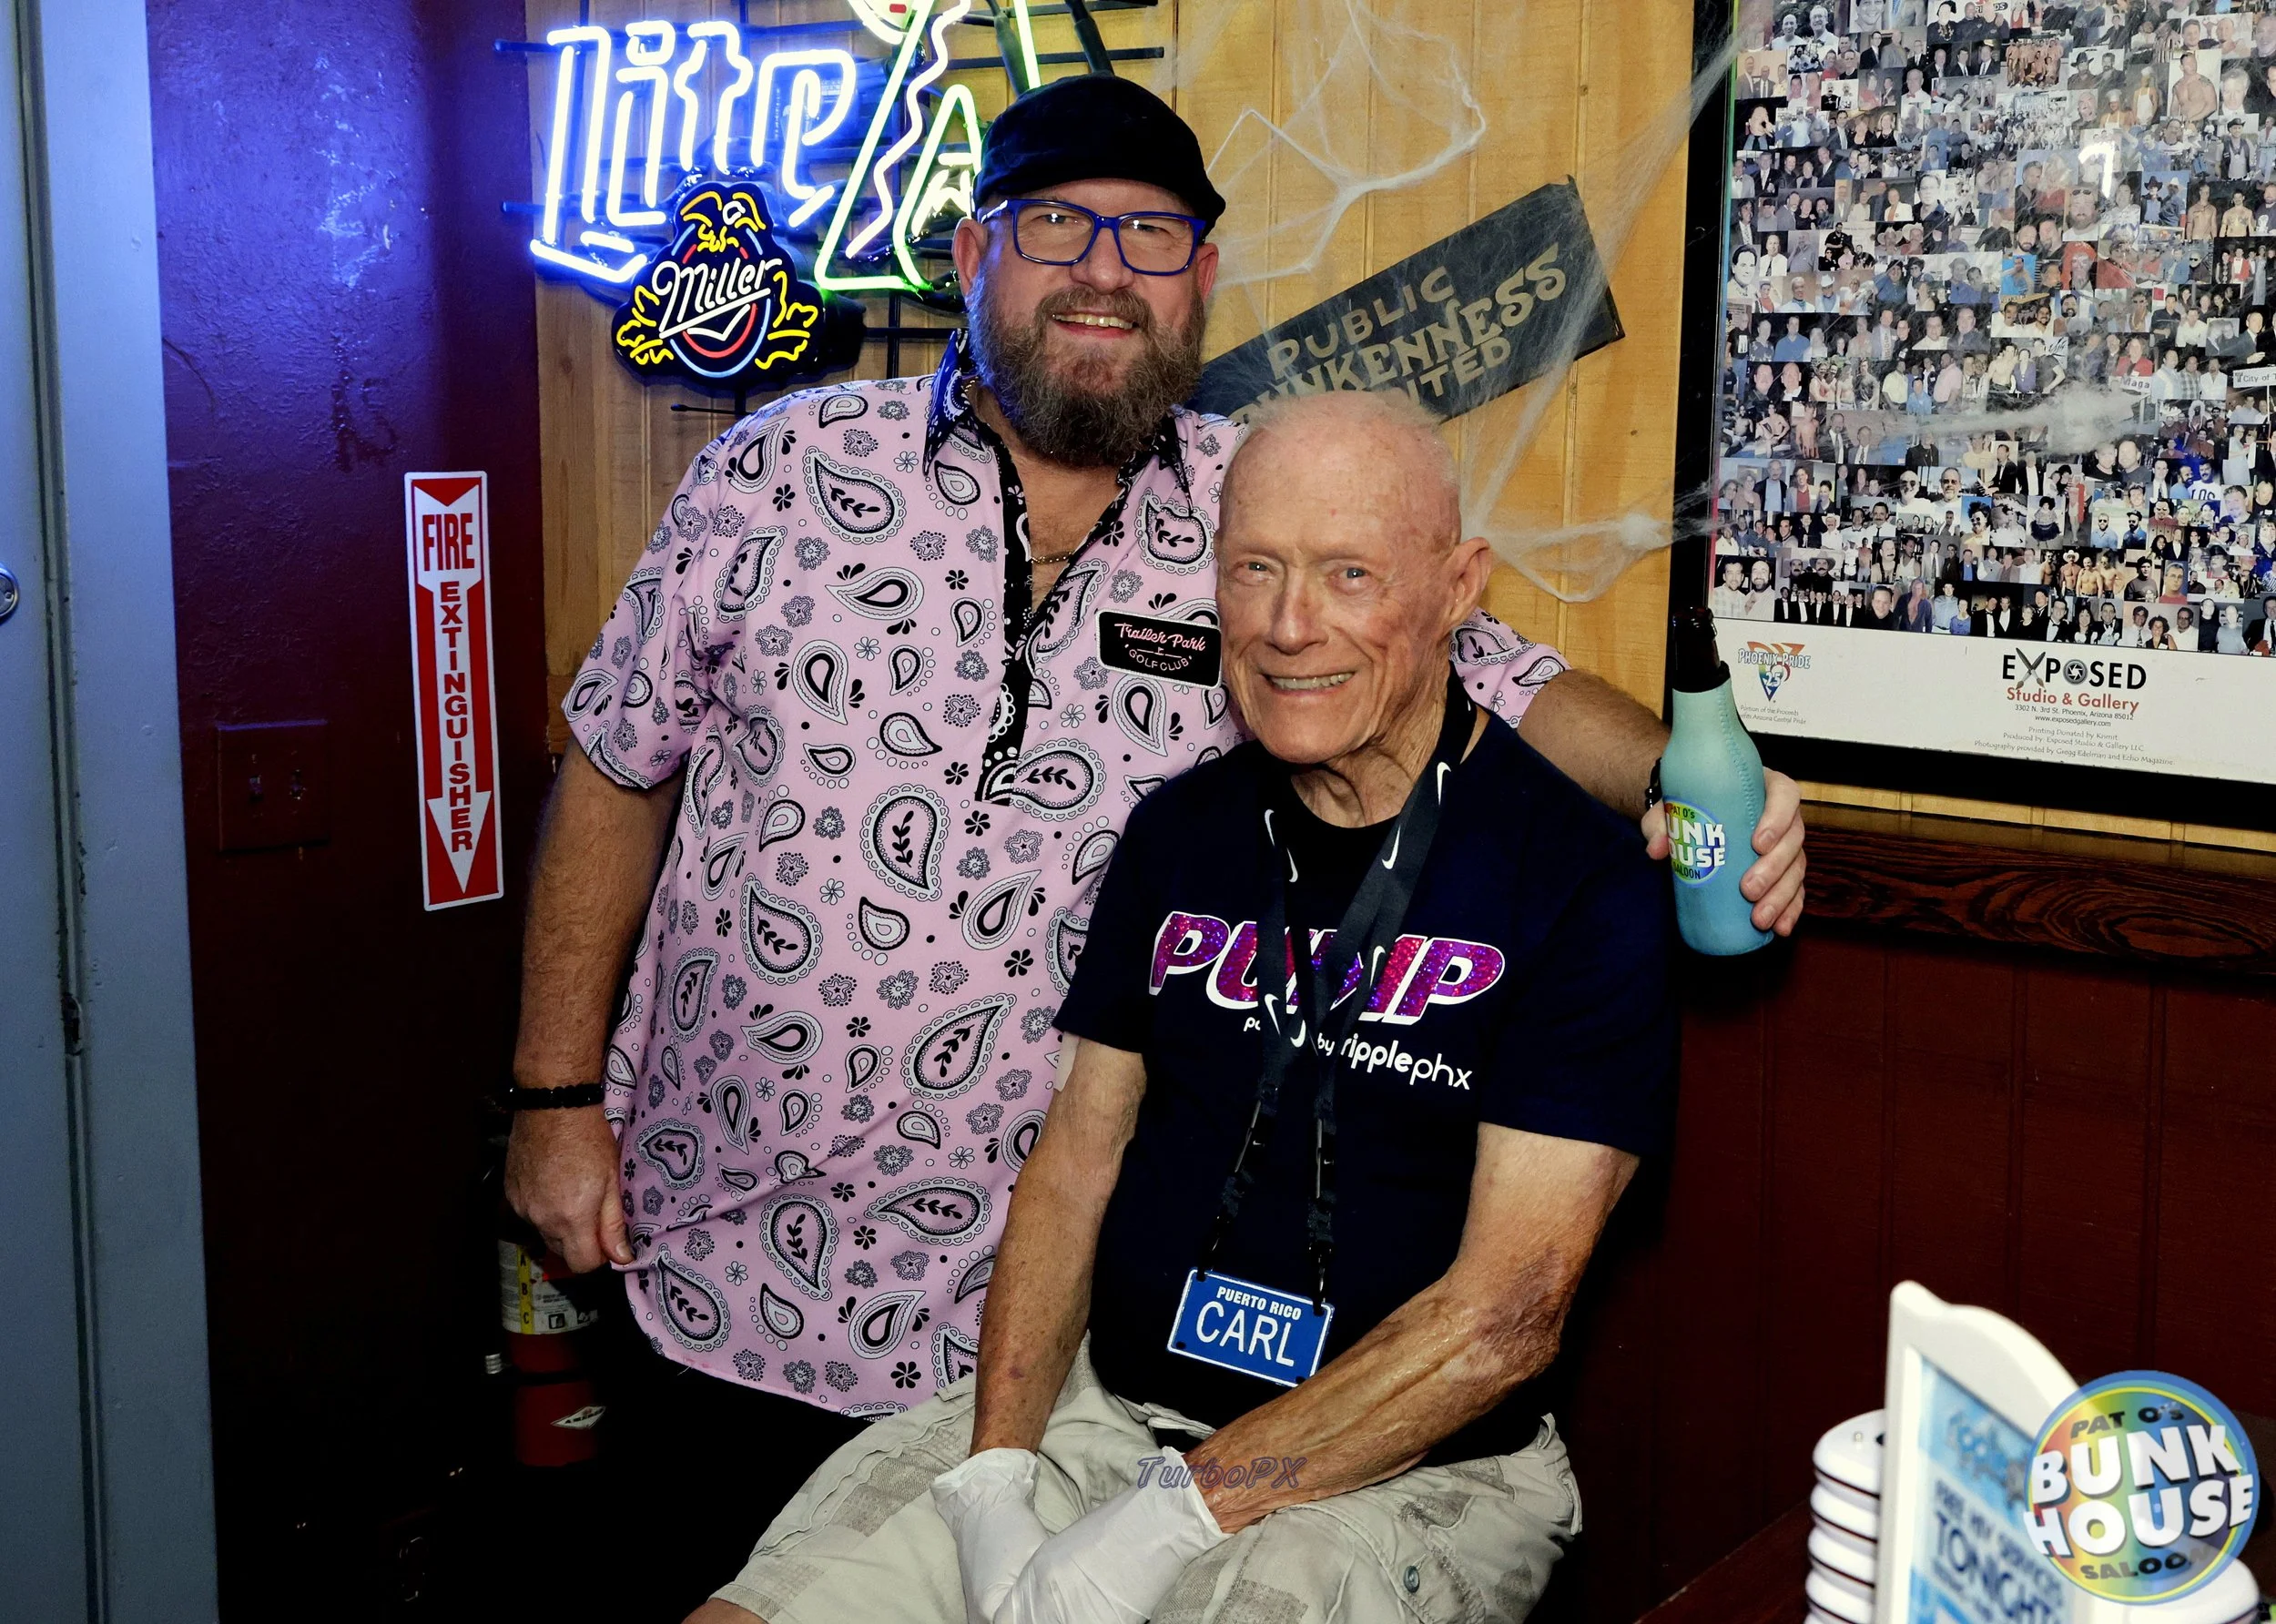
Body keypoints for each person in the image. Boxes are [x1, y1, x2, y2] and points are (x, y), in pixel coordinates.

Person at [503, 76, 1810, 1620]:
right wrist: (554, 1098)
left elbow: (1489, 679)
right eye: (1057, 225)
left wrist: (1702, 790)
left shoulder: (1249, 507)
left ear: (1202, 276)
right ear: (970, 254)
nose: (1106, 270)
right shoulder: (779, 472)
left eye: (1154, 235)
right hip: (723, 1251)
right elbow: (616, 765)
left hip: (1024, 1337)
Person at [691, 390, 1674, 1624]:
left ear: (1457, 588)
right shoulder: (1178, 832)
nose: (1289, 625)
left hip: (1403, 1473)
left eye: (1350, 574)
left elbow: (1500, 1323)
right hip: (1103, 1412)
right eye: (1255, 568)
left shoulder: (1578, 881)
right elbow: (1073, 1166)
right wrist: (997, 1474)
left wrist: (1176, 1516)